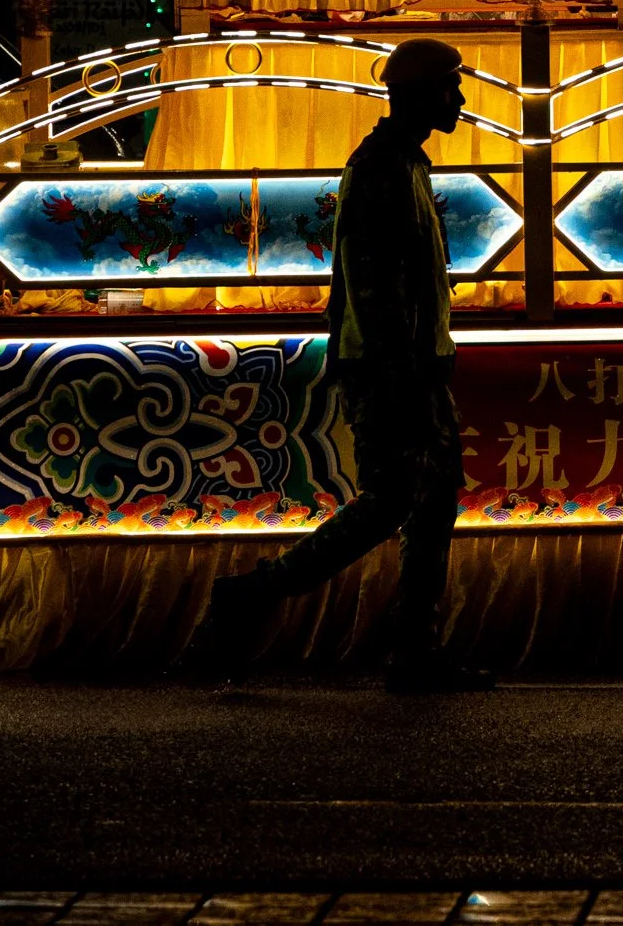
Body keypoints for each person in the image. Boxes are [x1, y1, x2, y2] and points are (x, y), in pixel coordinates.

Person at [197, 38, 492, 693]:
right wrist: (401, 377)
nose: (461, 99)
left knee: (433, 501)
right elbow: (372, 284)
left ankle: (416, 648)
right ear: (419, 95)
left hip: (417, 365)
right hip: (392, 369)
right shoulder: (382, 167)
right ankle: (250, 593)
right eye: (450, 87)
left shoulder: (406, 162)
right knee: (390, 501)